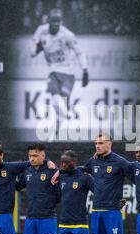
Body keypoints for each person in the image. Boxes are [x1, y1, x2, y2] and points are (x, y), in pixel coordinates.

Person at [30, 8, 88, 140]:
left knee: (62, 107)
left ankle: (56, 131)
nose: (56, 24)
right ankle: (54, 133)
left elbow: (79, 52)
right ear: (48, 21)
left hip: (68, 73)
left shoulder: (68, 35)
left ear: (61, 22)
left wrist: (85, 71)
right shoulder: (41, 31)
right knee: (56, 101)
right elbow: (32, 52)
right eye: (53, 21)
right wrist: (37, 48)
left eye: (58, 21)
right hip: (53, 71)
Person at [83, 133, 130, 234]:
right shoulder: (93, 161)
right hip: (96, 209)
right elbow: (82, 171)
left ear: (109, 144)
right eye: (96, 143)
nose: (97, 146)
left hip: (112, 210)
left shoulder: (120, 162)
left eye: (101, 143)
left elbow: (136, 177)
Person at [16, 143, 61, 234]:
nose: (32, 158)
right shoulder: (27, 170)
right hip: (30, 217)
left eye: (35, 156)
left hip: (47, 217)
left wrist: (49, 163)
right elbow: (18, 186)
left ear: (43, 156)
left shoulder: (52, 169)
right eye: (30, 156)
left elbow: (67, 172)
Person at [55, 150, 94, 234]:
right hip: (64, 223)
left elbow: (99, 192)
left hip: (80, 223)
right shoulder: (60, 176)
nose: (63, 164)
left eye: (66, 162)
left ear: (74, 161)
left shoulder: (84, 176)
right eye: (61, 162)